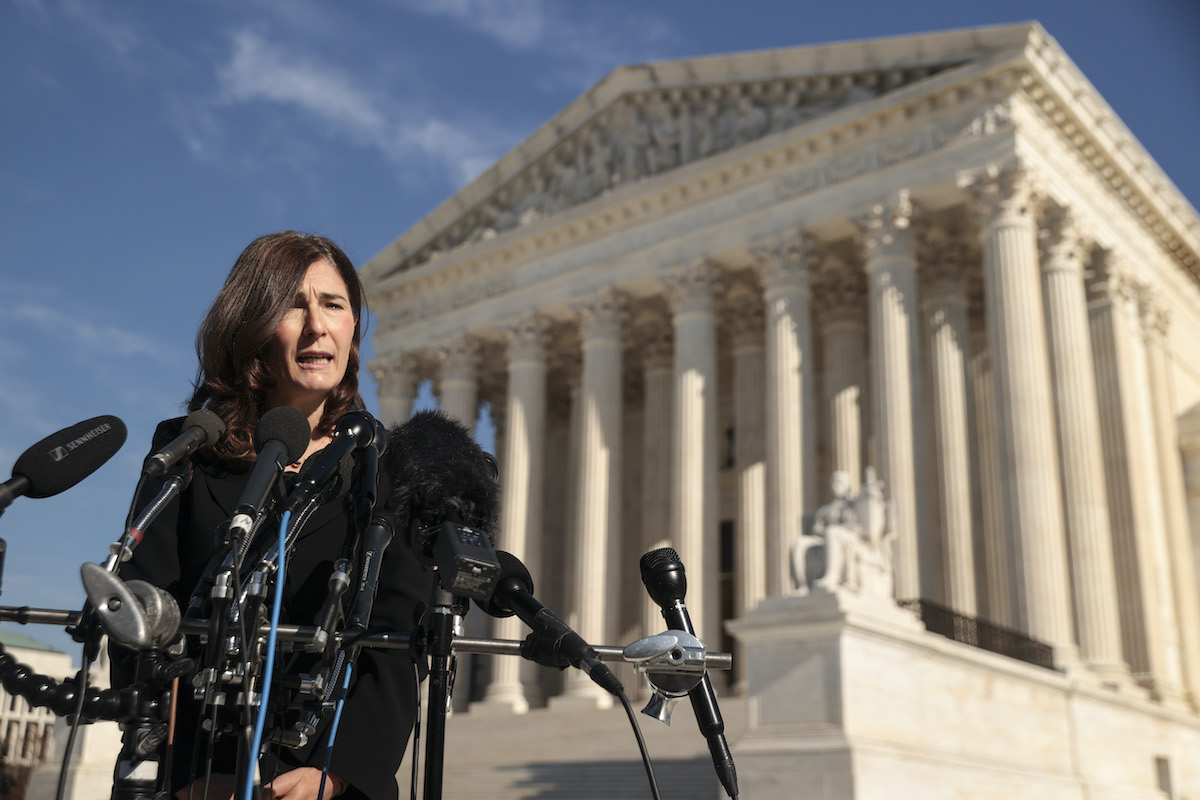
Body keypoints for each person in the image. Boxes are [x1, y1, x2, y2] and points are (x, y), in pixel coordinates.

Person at [113, 232, 433, 800]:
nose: (318, 325)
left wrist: (335, 776)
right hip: (195, 774)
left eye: (334, 305)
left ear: (353, 328)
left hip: (324, 779)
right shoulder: (188, 450)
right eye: (294, 303)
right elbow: (141, 614)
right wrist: (177, 769)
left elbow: (397, 645)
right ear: (252, 325)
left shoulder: (388, 469)